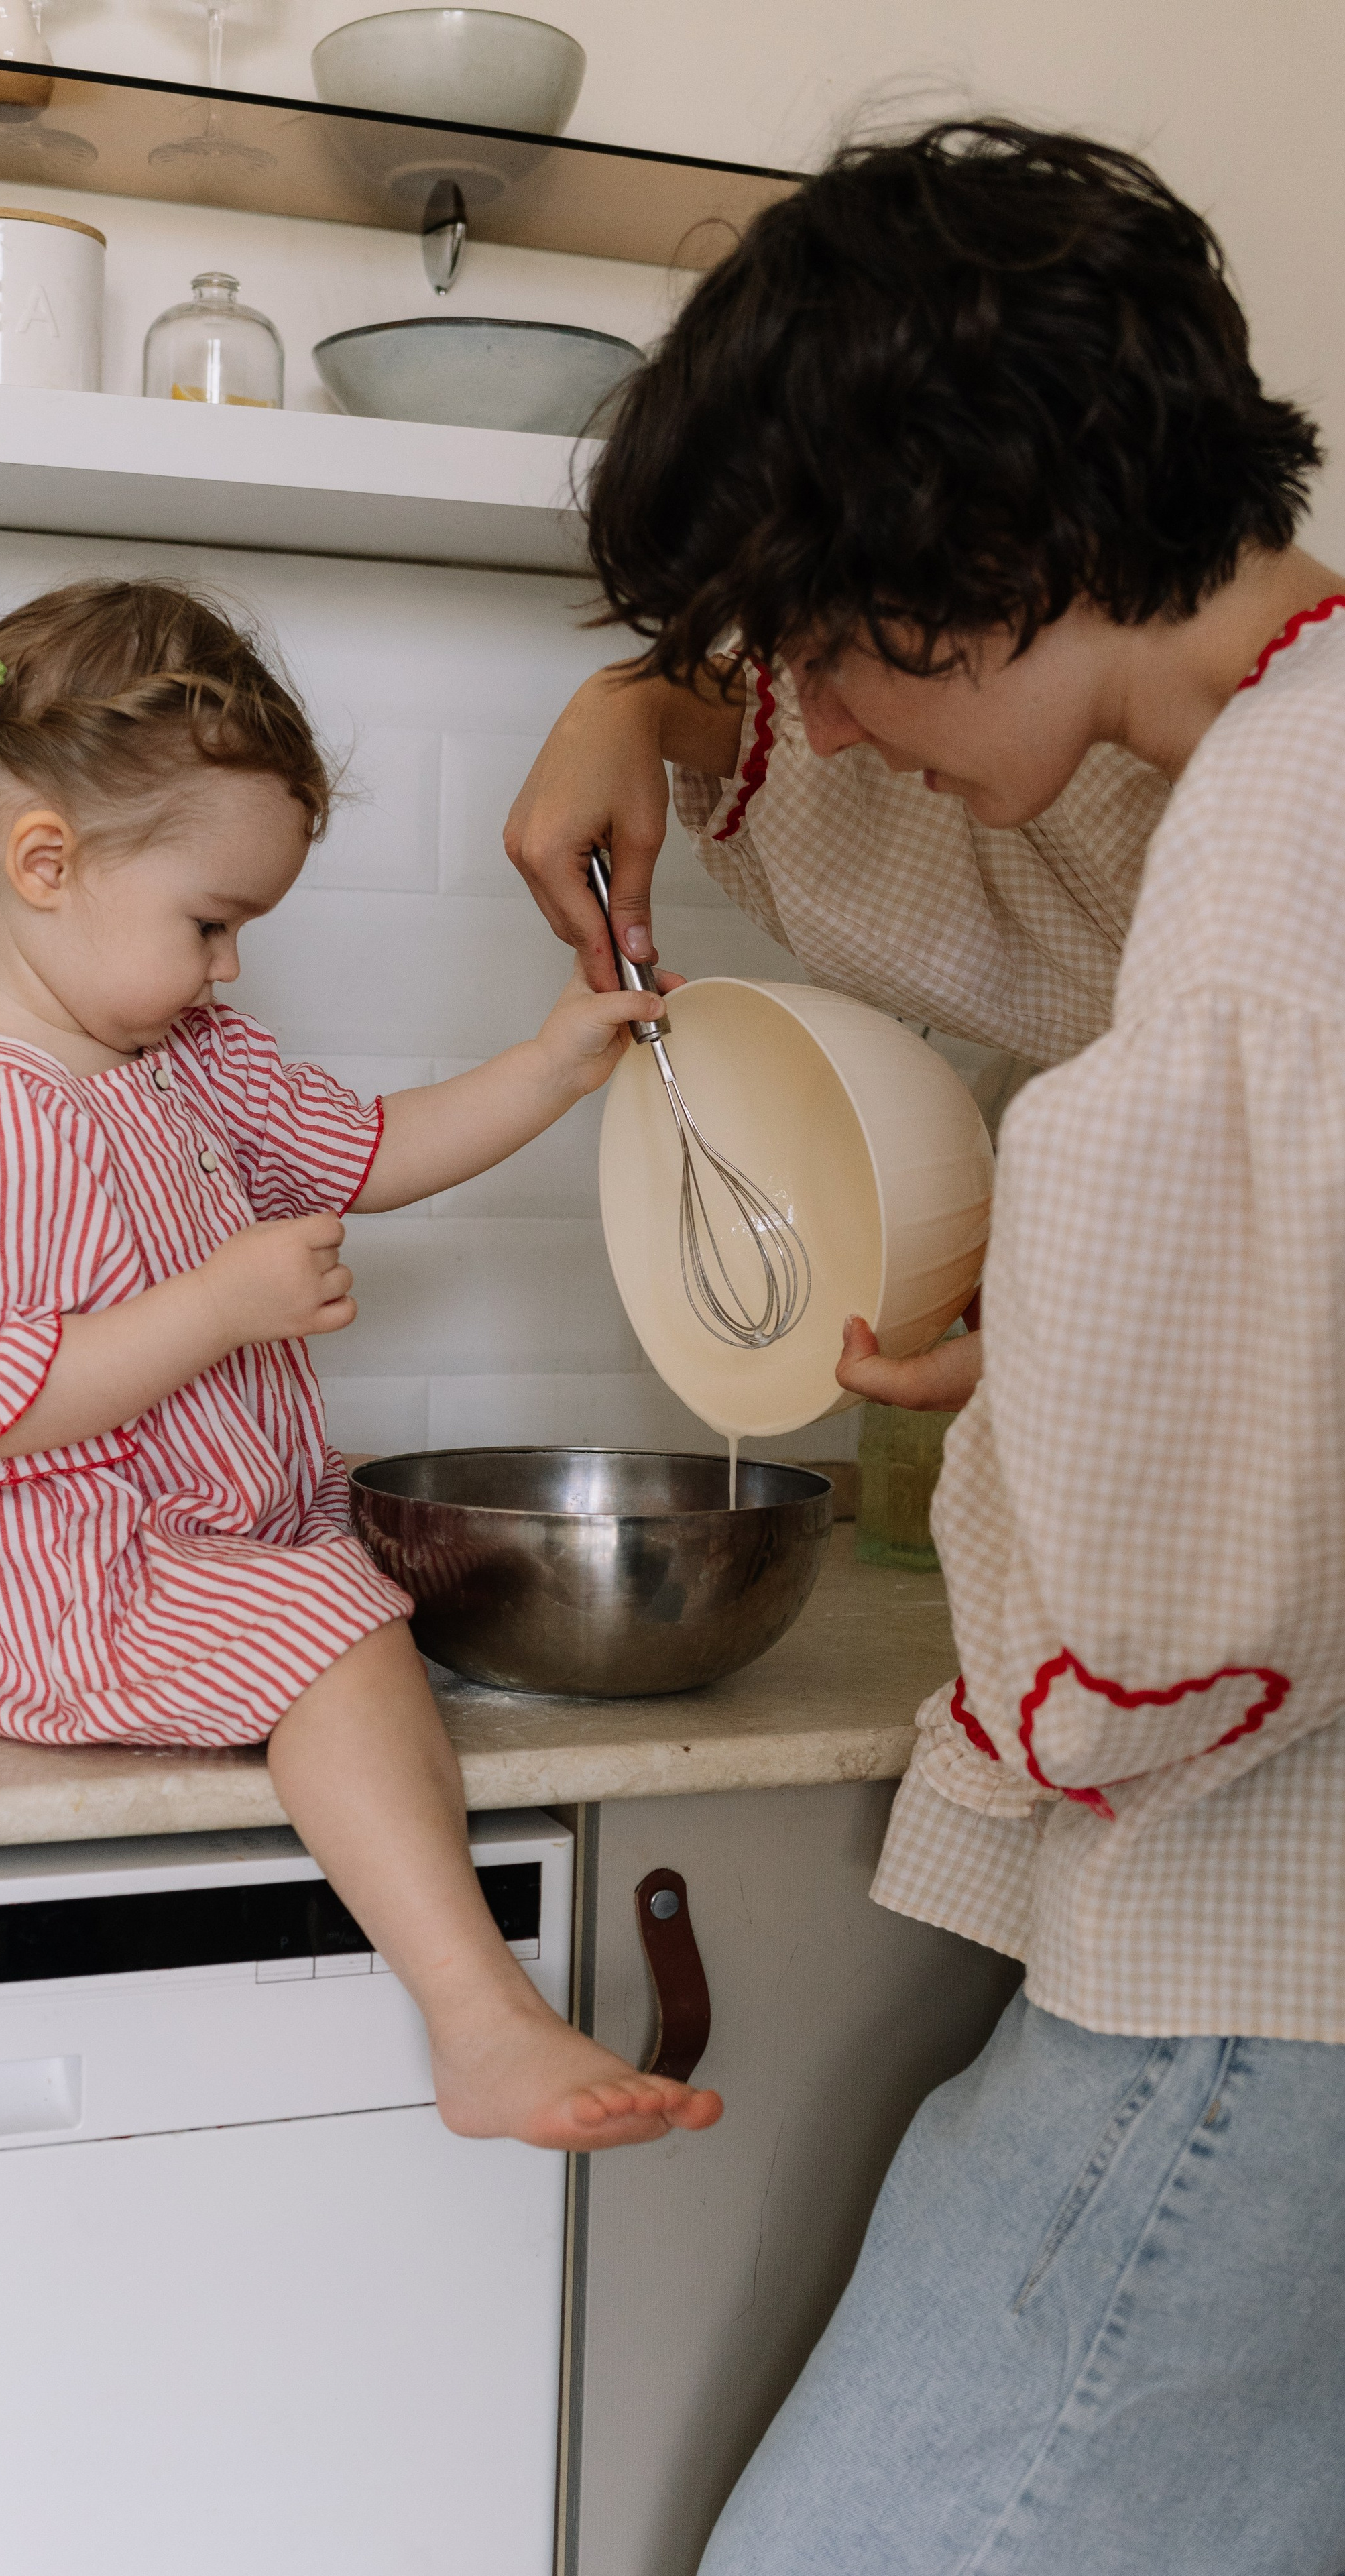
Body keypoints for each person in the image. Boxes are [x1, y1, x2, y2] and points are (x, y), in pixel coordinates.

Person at [507, 122, 1345, 2575]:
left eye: (838, 649)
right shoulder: (1257, 757)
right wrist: (655, 720)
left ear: (985, 561)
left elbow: (1187, 1614)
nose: (833, 732)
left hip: (1264, 1959)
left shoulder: (1283, 852)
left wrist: (1063, 1371)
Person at [0, 575, 722, 2160]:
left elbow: (367, 1152)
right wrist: (224, 1301)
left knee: (363, 1563)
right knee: (332, 1620)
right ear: (45, 863)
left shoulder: (169, 1055)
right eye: (211, 923)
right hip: (44, 1587)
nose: (231, 968)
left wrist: (547, 1064)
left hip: (162, 1543)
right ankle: (478, 2020)